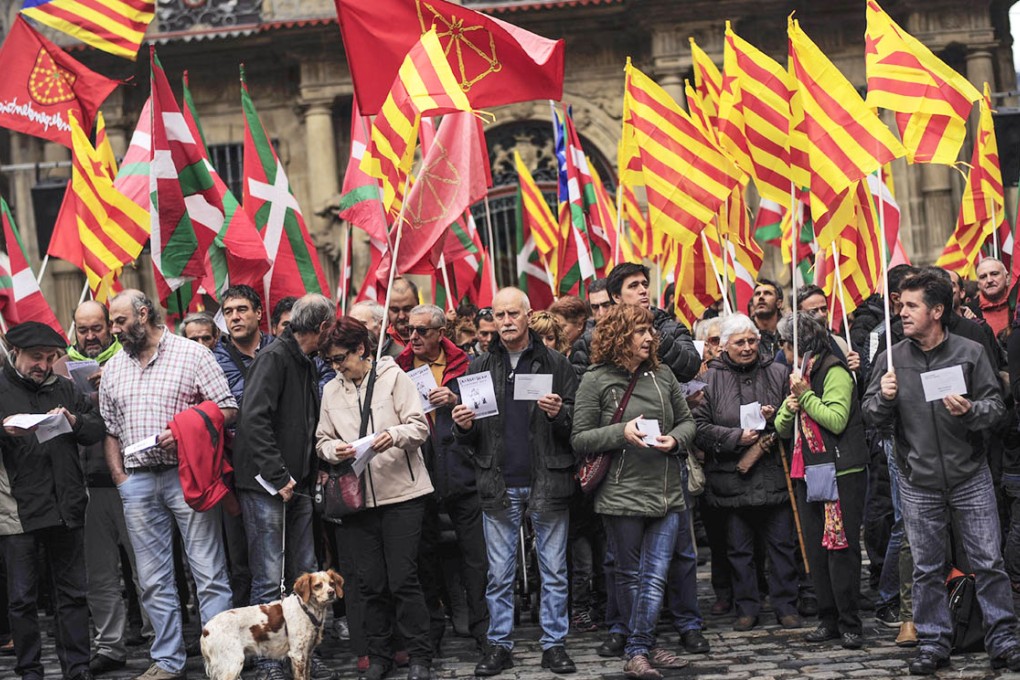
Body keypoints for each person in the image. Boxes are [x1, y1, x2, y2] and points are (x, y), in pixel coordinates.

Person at [863, 271, 1020, 675]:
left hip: (970, 477)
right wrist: (884, 396)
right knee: (926, 567)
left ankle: (1002, 639)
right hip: (918, 482)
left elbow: (996, 407)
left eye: (911, 306)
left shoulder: (969, 351)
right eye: (901, 306)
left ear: (936, 311)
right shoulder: (891, 359)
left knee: (988, 561)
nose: (902, 313)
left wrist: (972, 412)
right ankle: (933, 643)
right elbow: (870, 415)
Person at [100, 290, 238, 680]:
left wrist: (185, 428)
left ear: (144, 314)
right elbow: (110, 430)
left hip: (187, 477)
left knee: (208, 573)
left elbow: (227, 408)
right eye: (112, 322)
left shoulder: (192, 354)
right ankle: (167, 660)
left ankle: (221, 661)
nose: (115, 330)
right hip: (138, 483)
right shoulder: (113, 368)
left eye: (120, 321)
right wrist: (120, 478)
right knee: (152, 579)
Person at [452, 288, 579, 677]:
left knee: (554, 571)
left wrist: (559, 414)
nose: (505, 321)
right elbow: (470, 437)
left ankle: (554, 644)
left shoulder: (555, 363)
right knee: (499, 573)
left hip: (547, 479)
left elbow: (577, 424)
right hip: (498, 481)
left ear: (528, 316)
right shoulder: (477, 368)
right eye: (499, 314)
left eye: (513, 314)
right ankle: (500, 644)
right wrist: (463, 427)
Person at [571, 304, 696, 680]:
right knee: (630, 575)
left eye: (650, 331)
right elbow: (579, 438)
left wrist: (674, 441)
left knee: (656, 574)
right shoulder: (595, 379)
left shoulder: (663, 374)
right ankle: (640, 647)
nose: (649, 337)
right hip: (621, 493)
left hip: (666, 490)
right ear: (618, 336)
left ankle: (640, 647)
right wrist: (620, 432)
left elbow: (688, 422)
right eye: (640, 331)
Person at [316, 317, 433, 680]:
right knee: (370, 582)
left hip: (402, 493)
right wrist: (337, 450)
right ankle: (379, 654)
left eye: (341, 358)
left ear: (361, 349)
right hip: (357, 499)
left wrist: (393, 435)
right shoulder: (331, 390)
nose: (337, 367)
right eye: (331, 362)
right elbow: (321, 441)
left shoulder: (393, 376)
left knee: (403, 579)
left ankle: (418, 655)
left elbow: (420, 427)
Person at [233, 294, 335, 680]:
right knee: (268, 576)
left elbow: (305, 424)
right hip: (268, 487)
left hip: (300, 485)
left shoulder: (305, 361)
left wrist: (314, 468)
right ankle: (266, 660)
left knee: (304, 572)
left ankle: (302, 654)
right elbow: (253, 419)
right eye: (331, 327)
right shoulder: (274, 358)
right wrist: (279, 476)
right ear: (322, 327)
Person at [0, 321, 105, 680]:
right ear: (15, 353)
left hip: (66, 507)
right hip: (18, 512)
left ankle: (77, 669)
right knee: (22, 599)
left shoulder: (63, 387)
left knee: (73, 596)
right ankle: (30, 670)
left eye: (49, 358)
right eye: (35, 357)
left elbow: (96, 429)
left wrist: (74, 420)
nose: (42, 365)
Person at [54, 302, 149, 676]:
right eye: (83, 330)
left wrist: (114, 381)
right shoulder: (60, 370)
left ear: (109, 328)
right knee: (99, 576)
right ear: (73, 330)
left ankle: (161, 638)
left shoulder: (130, 359)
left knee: (147, 570)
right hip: (86, 486)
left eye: (97, 328)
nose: (90, 336)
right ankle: (111, 645)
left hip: (132, 480)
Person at [694, 313, 802, 632]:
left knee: (782, 547)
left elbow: (795, 416)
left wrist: (776, 414)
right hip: (731, 478)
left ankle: (786, 605)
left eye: (752, 340)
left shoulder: (779, 372)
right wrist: (733, 437)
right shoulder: (709, 380)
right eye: (739, 342)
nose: (747, 347)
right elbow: (698, 427)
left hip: (772, 474)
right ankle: (747, 606)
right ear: (724, 346)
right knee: (739, 550)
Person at [395, 304, 489, 653]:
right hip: (418, 474)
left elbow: (485, 416)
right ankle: (431, 632)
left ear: (440, 333)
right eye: (410, 331)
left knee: (476, 559)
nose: (414, 336)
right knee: (424, 560)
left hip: (463, 472)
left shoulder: (468, 364)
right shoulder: (398, 367)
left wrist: (455, 400)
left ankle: (484, 629)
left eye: (421, 331)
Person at [775, 314, 868, 650]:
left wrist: (808, 398)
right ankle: (828, 619)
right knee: (816, 549)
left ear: (797, 345)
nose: (783, 352)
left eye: (785, 345)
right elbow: (783, 429)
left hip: (840, 471)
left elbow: (836, 419)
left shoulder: (834, 371)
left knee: (840, 550)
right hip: (808, 470)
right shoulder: (801, 376)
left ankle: (850, 622)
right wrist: (790, 406)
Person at [571, 264, 701, 383]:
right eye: (633, 286)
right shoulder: (593, 339)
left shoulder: (671, 329)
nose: (643, 290)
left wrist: (658, 337)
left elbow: (690, 368)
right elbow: (582, 390)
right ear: (616, 297)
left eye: (644, 284)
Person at [970, 258, 1011, 337]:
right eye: (983, 277)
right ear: (978, 284)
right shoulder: (968, 311)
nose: (989, 280)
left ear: (1007, 277)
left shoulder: (1017, 302)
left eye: (994, 274)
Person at [382, 277, 419, 357]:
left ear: (418, 305)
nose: (401, 316)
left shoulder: (433, 338)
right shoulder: (380, 343)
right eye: (395, 310)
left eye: (407, 309)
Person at [750, 279, 783, 359]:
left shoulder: (789, 334)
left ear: (779, 304)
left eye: (767, 293)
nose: (761, 297)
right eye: (757, 294)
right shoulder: (745, 333)